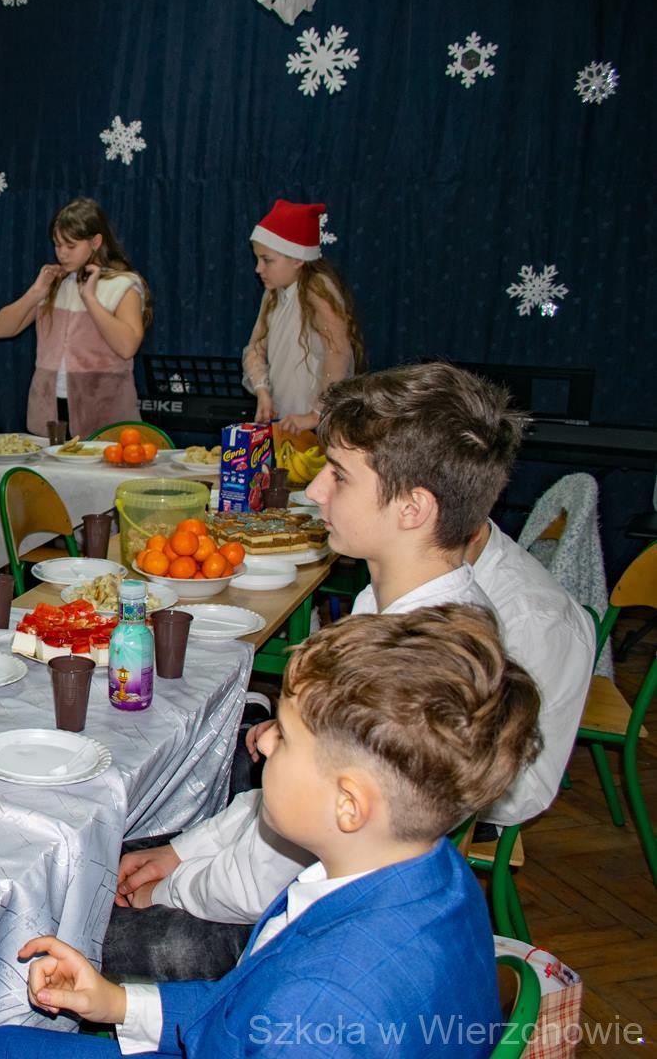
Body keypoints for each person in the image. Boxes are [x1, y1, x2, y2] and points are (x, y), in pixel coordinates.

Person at [106, 362, 593, 982]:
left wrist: (172, 886)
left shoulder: (408, 663)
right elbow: (280, 800)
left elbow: (272, 871)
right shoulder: (398, 608)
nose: (315, 492)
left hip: (289, 934)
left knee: (57, 921)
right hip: (274, 883)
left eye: (338, 475)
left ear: (412, 508)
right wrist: (182, 851)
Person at [0, 605, 543, 1059]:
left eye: (286, 737)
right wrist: (119, 1003)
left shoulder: (318, 1011)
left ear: (349, 805)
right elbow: (246, 1009)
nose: (263, 741)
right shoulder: (432, 869)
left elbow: (278, 1019)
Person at [0, 198, 151, 437]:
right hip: (49, 411)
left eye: (70, 246)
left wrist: (90, 299)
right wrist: (35, 293)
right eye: (57, 245)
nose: (62, 254)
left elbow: (127, 347)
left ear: (95, 242)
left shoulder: (123, 284)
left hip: (105, 412)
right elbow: (0, 329)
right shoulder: (55, 283)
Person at [241, 200, 365, 433]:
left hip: (315, 425)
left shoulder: (317, 288)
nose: (258, 269)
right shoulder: (273, 294)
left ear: (298, 260)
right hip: (287, 420)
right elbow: (255, 348)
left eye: (267, 260)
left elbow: (338, 352)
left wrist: (316, 414)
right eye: (258, 259)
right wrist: (262, 391)